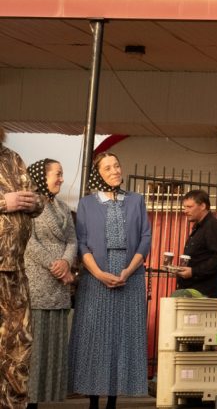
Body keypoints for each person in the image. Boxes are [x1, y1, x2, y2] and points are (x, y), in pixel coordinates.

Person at [67, 152, 151, 409]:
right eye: (108, 168)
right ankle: (93, 400)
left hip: (130, 275)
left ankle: (113, 401)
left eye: (117, 165)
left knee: (122, 337)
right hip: (96, 277)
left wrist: (128, 270)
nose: (115, 171)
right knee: (96, 338)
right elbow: (81, 242)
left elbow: (145, 238)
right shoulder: (87, 203)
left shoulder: (136, 200)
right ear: (98, 174)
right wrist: (99, 273)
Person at [24, 159, 76, 409]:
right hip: (38, 281)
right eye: (58, 174)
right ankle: (27, 399)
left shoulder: (64, 208)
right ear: (41, 176)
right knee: (34, 347)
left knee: (52, 349)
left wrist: (66, 262)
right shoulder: (29, 204)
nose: (62, 179)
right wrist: (55, 266)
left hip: (59, 286)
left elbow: (73, 240)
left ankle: (42, 399)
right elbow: (28, 241)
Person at [0, 128, 42, 409]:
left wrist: (35, 202)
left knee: (18, 344)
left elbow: (35, 199)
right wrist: (5, 201)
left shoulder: (12, 158)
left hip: (14, 270)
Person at [175, 189, 217, 298]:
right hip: (192, 290)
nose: (185, 210)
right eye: (184, 207)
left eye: (189, 207)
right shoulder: (199, 227)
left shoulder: (213, 225)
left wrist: (194, 271)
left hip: (202, 293)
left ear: (203, 206)